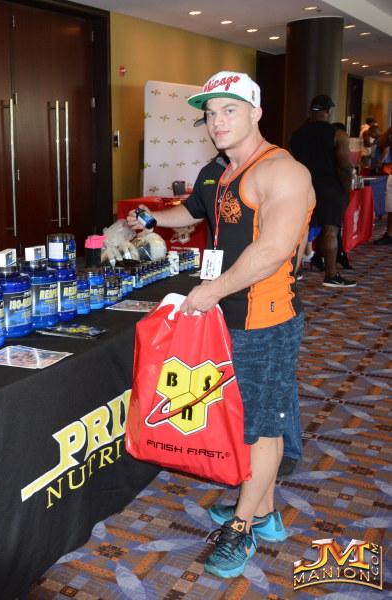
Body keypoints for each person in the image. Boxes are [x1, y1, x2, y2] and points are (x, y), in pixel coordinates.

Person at [128, 71, 314, 580]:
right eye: (211, 113)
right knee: (243, 416)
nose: (217, 121)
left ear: (256, 113)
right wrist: (150, 219)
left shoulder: (283, 171)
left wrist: (212, 290)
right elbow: (192, 212)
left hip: (264, 319)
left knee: (262, 425)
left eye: (229, 110)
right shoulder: (220, 169)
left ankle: (242, 527)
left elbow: (274, 249)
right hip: (224, 316)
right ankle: (265, 511)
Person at [288, 95, 356, 287]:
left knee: (301, 230)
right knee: (330, 229)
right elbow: (345, 167)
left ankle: (294, 271)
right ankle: (331, 275)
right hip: (330, 188)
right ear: (329, 111)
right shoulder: (338, 134)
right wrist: (346, 189)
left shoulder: (296, 134)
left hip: (303, 186)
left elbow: (292, 162)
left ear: (311, 110)